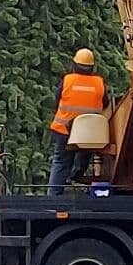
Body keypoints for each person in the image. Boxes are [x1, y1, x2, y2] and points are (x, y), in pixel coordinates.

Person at [47, 48, 111, 196]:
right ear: (92, 67)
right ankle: (75, 175)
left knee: (61, 162)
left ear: (74, 65)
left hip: (63, 131)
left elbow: (57, 101)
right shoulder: (99, 84)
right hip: (88, 134)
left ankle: (53, 196)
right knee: (85, 156)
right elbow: (106, 104)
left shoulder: (67, 81)